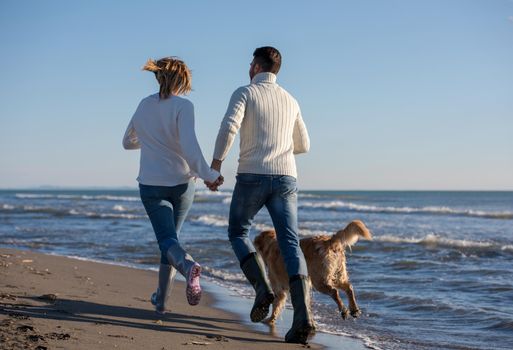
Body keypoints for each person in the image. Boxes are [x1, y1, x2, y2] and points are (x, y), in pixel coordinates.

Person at [210, 47, 314, 344]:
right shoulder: (291, 100)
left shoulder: (245, 92)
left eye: (250, 63)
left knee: (238, 231)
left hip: (252, 175)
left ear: (256, 67)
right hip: (285, 176)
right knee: (290, 242)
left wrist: (216, 164)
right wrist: (279, 148)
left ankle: (261, 289)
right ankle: (303, 319)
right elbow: (304, 144)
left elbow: (229, 126)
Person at [123, 57, 223, 313]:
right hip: (181, 184)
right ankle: (180, 278)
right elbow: (190, 148)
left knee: (168, 242)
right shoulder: (184, 106)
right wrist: (210, 174)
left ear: (158, 77)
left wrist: (151, 141)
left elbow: (127, 141)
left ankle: (163, 300)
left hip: (150, 184)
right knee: (170, 241)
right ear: (184, 80)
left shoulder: (144, 105)